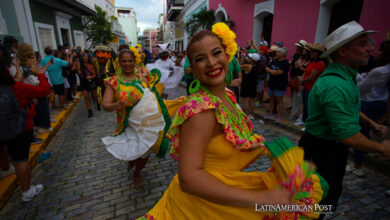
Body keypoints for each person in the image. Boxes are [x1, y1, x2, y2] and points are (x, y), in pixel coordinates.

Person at [139, 22, 327, 220]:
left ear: (227, 54)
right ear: (192, 68)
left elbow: (228, 143)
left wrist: (264, 148)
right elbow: (190, 180)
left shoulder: (227, 96)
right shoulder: (201, 111)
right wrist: (262, 198)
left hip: (223, 193)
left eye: (216, 53)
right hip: (201, 208)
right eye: (201, 59)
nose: (211, 62)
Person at [298, 21, 390, 219]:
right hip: (322, 152)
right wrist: (382, 148)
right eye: (363, 44)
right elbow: (347, 136)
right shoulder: (336, 85)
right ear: (342, 51)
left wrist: (371, 123)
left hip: (326, 149)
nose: (371, 48)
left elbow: (348, 109)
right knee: (316, 205)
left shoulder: (345, 78)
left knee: (322, 200)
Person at [101, 49, 170, 189]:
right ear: (118, 63)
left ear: (134, 61)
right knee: (134, 145)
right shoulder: (113, 82)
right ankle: (133, 160)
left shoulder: (142, 76)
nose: (127, 64)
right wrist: (116, 105)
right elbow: (105, 105)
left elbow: (153, 94)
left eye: (130, 60)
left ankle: (137, 172)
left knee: (146, 149)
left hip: (148, 123)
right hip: (129, 122)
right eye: (124, 61)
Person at [0, 44, 50, 201]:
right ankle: (27, 191)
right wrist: (40, 75)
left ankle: (5, 169)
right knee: (21, 159)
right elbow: (43, 90)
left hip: (3, 130)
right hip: (21, 127)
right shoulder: (16, 87)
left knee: (8, 153)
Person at [347, 40, 390, 176]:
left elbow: (360, 88)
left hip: (368, 103)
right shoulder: (385, 69)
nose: (374, 52)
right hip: (379, 103)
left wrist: (357, 76)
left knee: (360, 133)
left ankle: (357, 165)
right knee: (366, 131)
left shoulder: (379, 71)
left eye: (379, 50)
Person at [299, 43, 326, 126]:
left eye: (314, 52)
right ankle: (304, 120)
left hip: (312, 88)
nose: (311, 54)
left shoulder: (320, 64)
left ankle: (309, 123)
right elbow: (306, 72)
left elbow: (312, 77)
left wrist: (302, 81)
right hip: (306, 87)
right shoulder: (312, 62)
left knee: (309, 106)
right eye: (311, 52)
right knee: (305, 104)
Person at [265, 47, 290, 122]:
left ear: (283, 54)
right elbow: (267, 68)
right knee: (271, 98)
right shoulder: (274, 60)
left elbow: (279, 72)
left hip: (280, 84)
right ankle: (271, 112)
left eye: (279, 52)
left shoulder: (285, 63)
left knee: (279, 100)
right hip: (272, 82)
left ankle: (280, 115)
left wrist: (271, 71)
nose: (277, 53)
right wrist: (272, 71)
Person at [289, 40, 307, 120]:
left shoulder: (304, 58)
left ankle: (298, 113)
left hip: (300, 77)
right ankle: (293, 109)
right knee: (294, 94)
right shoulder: (297, 55)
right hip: (294, 75)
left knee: (299, 96)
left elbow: (299, 66)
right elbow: (292, 63)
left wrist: (299, 66)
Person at [240, 53, 260, 119]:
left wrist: (239, 59)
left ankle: (246, 115)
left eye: (249, 58)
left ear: (252, 60)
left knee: (246, 100)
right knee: (252, 100)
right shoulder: (257, 66)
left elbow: (238, 66)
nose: (248, 58)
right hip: (253, 85)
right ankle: (252, 115)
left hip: (246, 84)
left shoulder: (248, 66)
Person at [79, 53, 100, 117]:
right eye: (84, 56)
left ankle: (97, 103)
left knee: (94, 95)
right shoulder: (80, 66)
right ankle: (89, 110)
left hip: (91, 81)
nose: (85, 58)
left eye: (86, 56)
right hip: (83, 82)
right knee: (86, 96)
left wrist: (90, 77)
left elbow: (94, 74)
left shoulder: (91, 65)